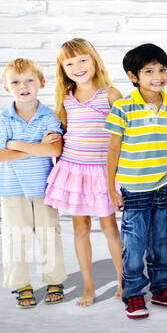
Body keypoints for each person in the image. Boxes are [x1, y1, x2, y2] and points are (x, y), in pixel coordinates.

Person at [105, 43, 167, 320]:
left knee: (162, 241)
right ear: (134, 76)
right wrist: (111, 187)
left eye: (162, 69)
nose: (158, 76)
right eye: (150, 71)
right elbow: (113, 149)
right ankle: (132, 295)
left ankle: (162, 289)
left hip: (164, 184)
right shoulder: (123, 107)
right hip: (134, 188)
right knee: (135, 244)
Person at [43, 38, 123, 307]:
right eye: (70, 63)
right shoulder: (65, 98)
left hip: (102, 172)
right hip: (74, 171)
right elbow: (64, 133)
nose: (77, 67)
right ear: (62, 68)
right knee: (80, 228)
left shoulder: (110, 94)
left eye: (82, 60)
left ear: (94, 60)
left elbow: (123, 135)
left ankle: (124, 281)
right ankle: (89, 286)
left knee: (110, 227)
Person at [0, 58, 65, 308]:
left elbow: (55, 149)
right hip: (12, 190)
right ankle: (22, 285)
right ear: (6, 87)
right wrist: (37, 148)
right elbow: (0, 155)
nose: (23, 86)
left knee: (49, 236)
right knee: (16, 238)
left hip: (45, 188)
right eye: (15, 82)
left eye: (29, 80)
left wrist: (17, 145)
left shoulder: (48, 116)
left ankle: (54, 280)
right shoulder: (2, 119)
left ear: (41, 83)